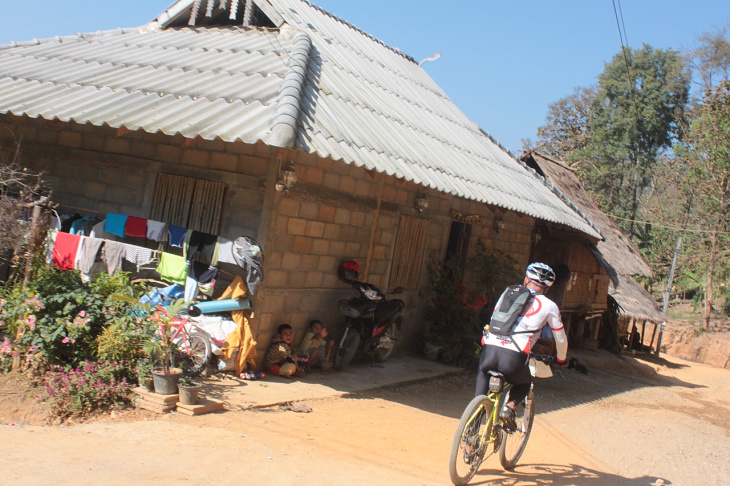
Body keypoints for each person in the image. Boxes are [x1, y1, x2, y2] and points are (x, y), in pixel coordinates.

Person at [476, 262, 568, 428]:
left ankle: (470, 437)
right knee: (525, 383)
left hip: (490, 350)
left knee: (478, 400)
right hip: (514, 358)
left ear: (526, 280)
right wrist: (561, 359)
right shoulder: (549, 305)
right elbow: (560, 339)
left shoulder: (508, 293)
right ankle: (509, 408)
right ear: (547, 289)